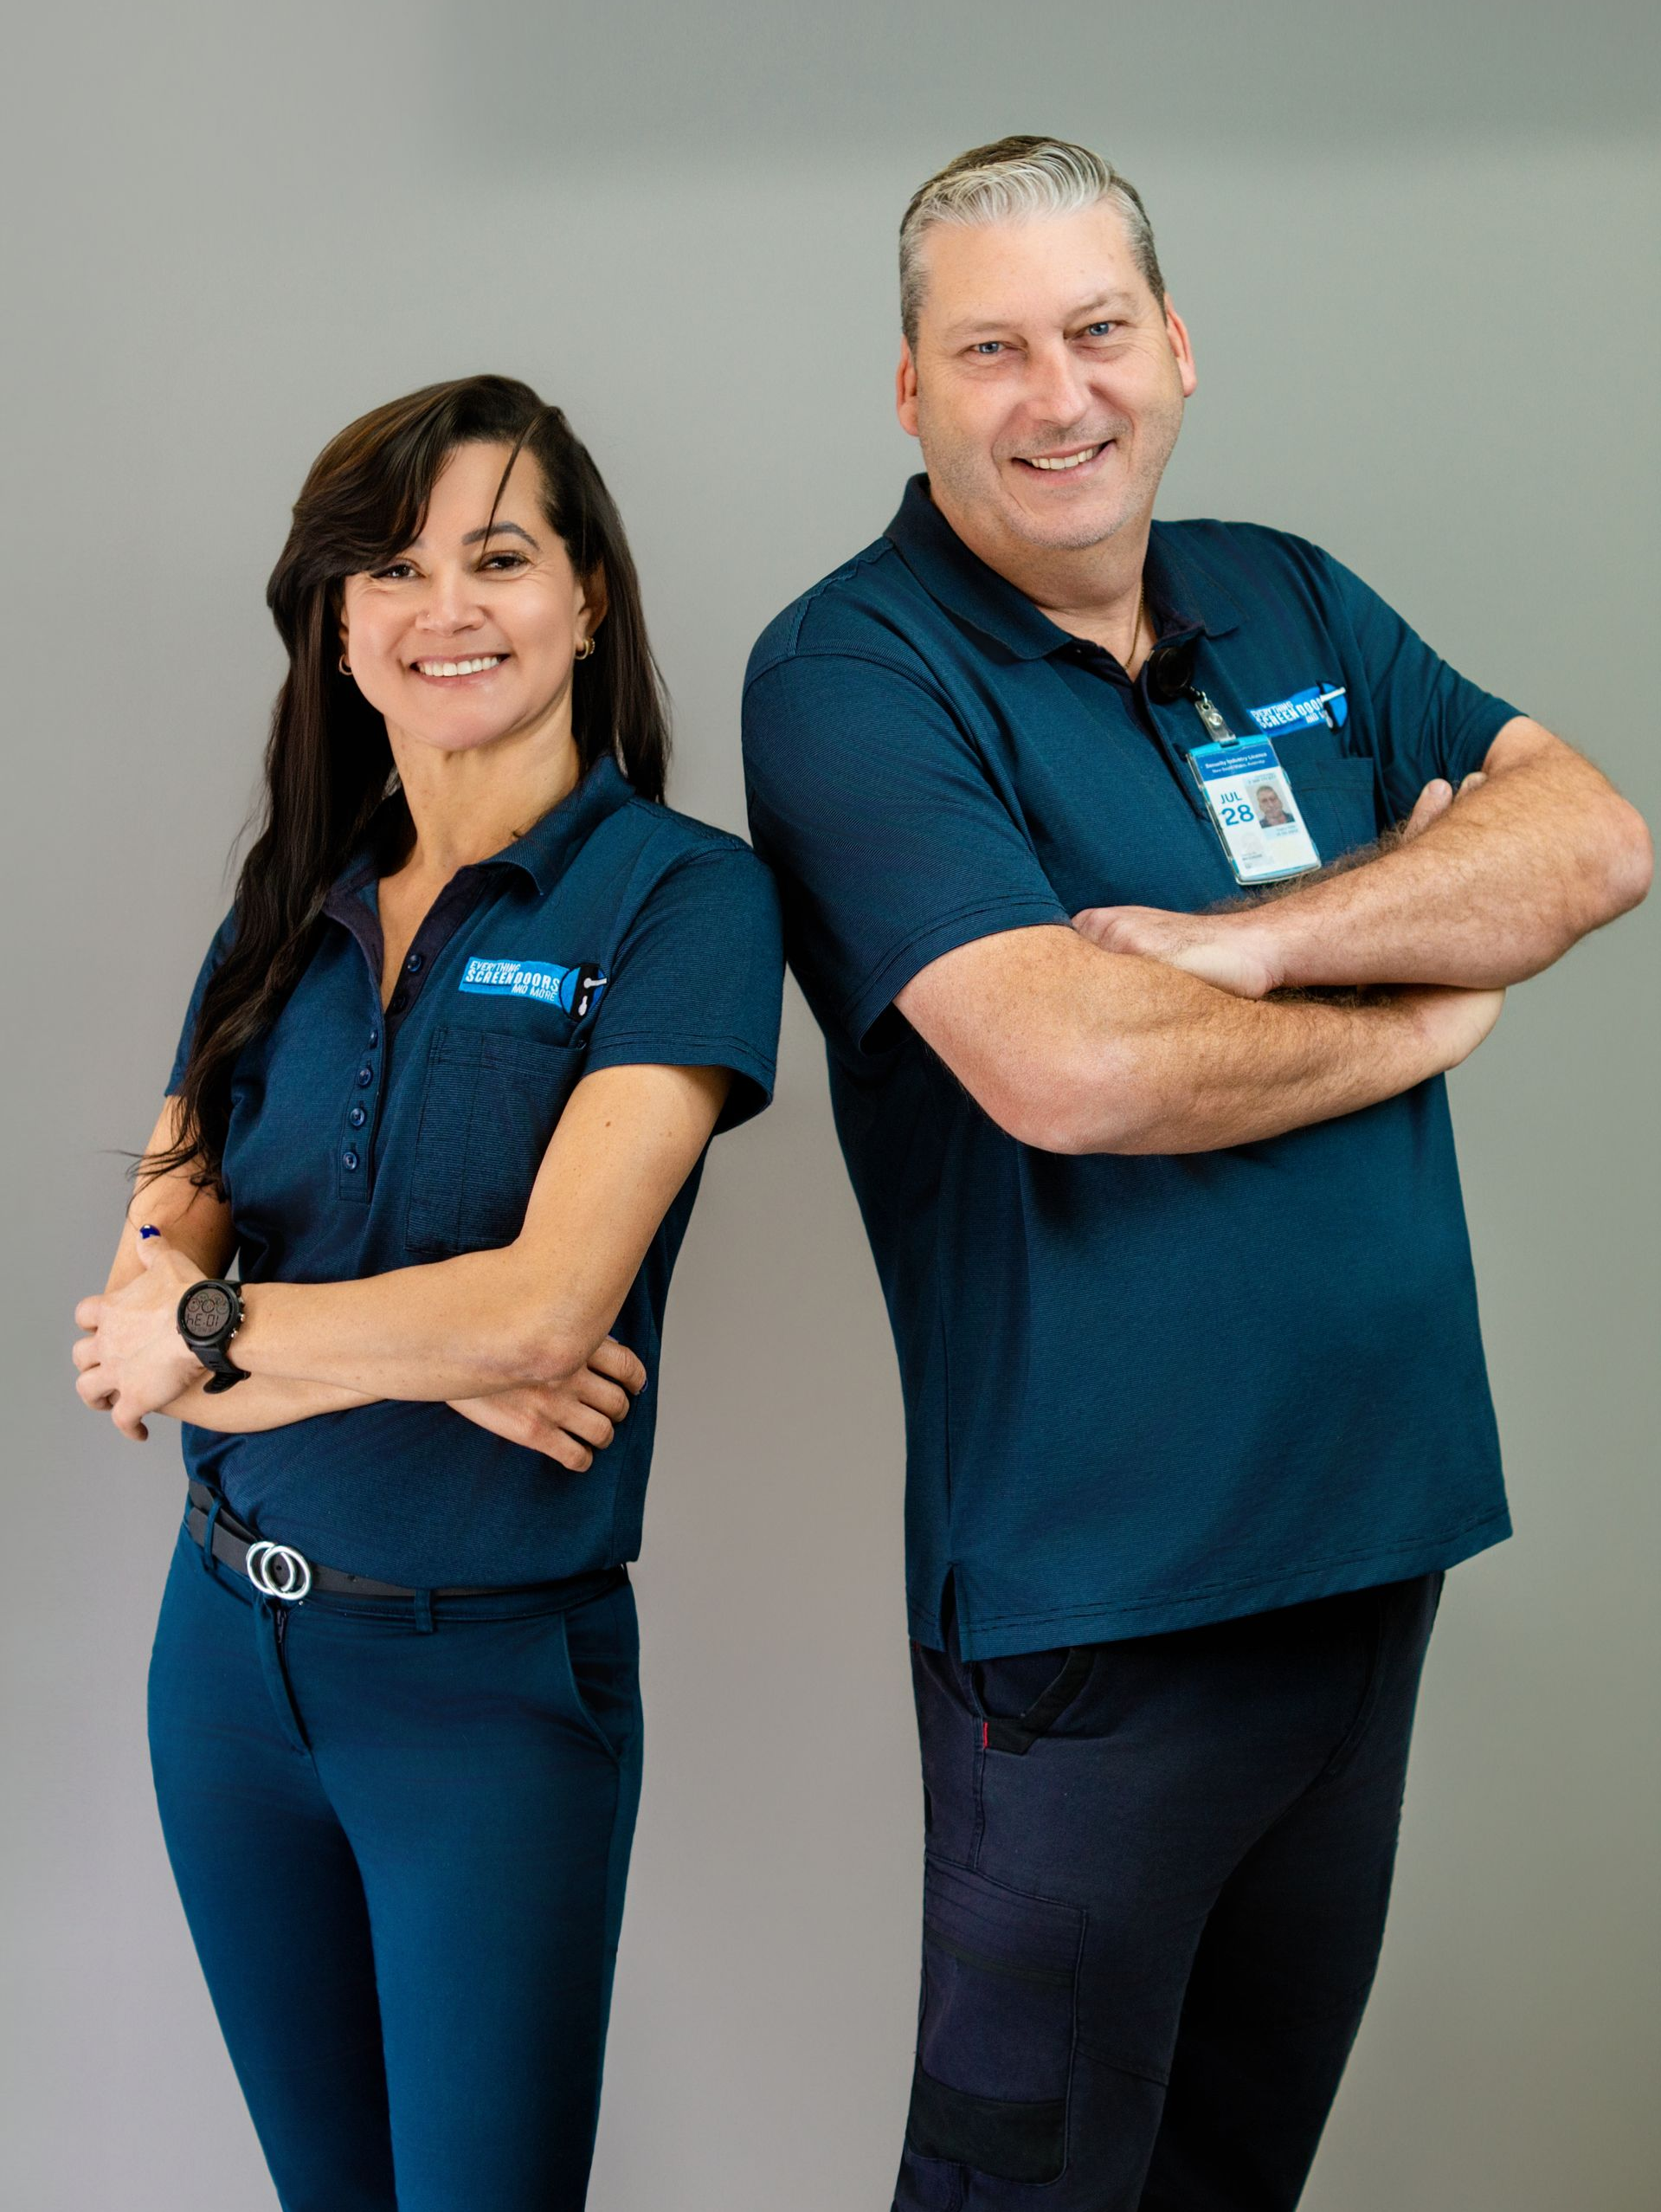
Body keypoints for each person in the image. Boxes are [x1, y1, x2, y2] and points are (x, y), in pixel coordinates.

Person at [741, 138, 1650, 2210]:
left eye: (1092, 331)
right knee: (1027, 2189)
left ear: (1171, 345)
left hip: (1365, 1552)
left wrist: (1250, 944)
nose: (1054, 393)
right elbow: (1062, 1064)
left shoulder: (1286, 592)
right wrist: (1421, 995)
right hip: (1096, 1614)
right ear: (908, 388)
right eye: (988, 348)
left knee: (1232, 2173)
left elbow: (1588, 838)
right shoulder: (853, 672)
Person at [72, 375, 782, 2212]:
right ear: (336, 620)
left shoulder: (681, 902)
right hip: (224, 1666)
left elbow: (542, 1311)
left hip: (485, 1692)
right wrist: (426, 1350)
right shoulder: (280, 908)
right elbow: (133, 1319)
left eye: (496, 555)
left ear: (587, 597)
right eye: (389, 568)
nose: (442, 606)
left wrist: (247, 1329)